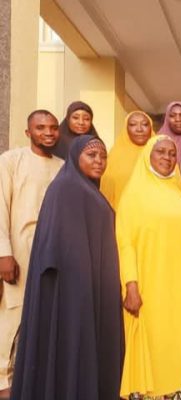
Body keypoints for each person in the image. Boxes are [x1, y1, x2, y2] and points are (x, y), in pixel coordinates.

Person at [10, 135, 123, 400]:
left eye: (103, 156)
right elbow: (57, 245)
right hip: (73, 291)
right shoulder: (66, 188)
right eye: (91, 155)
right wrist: (81, 286)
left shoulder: (86, 189)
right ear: (75, 157)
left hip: (88, 286)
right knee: (73, 347)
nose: (99, 161)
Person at [117, 135, 181, 399]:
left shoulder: (177, 190)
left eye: (172, 153)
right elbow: (125, 242)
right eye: (160, 152)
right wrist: (131, 285)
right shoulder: (134, 194)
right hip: (149, 282)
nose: (166, 158)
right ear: (148, 156)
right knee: (153, 342)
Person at [0, 110, 64, 398]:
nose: (48, 133)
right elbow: (0, 207)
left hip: (53, 252)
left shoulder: (64, 166)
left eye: (52, 128)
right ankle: (4, 381)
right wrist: (4, 253)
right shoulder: (11, 161)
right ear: (28, 132)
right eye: (40, 128)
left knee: (44, 315)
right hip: (20, 249)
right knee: (13, 317)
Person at [100, 111, 155, 209]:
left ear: (151, 128)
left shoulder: (162, 154)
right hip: (121, 218)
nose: (139, 129)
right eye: (133, 124)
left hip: (156, 217)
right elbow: (106, 196)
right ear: (126, 128)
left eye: (145, 124)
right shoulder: (114, 158)